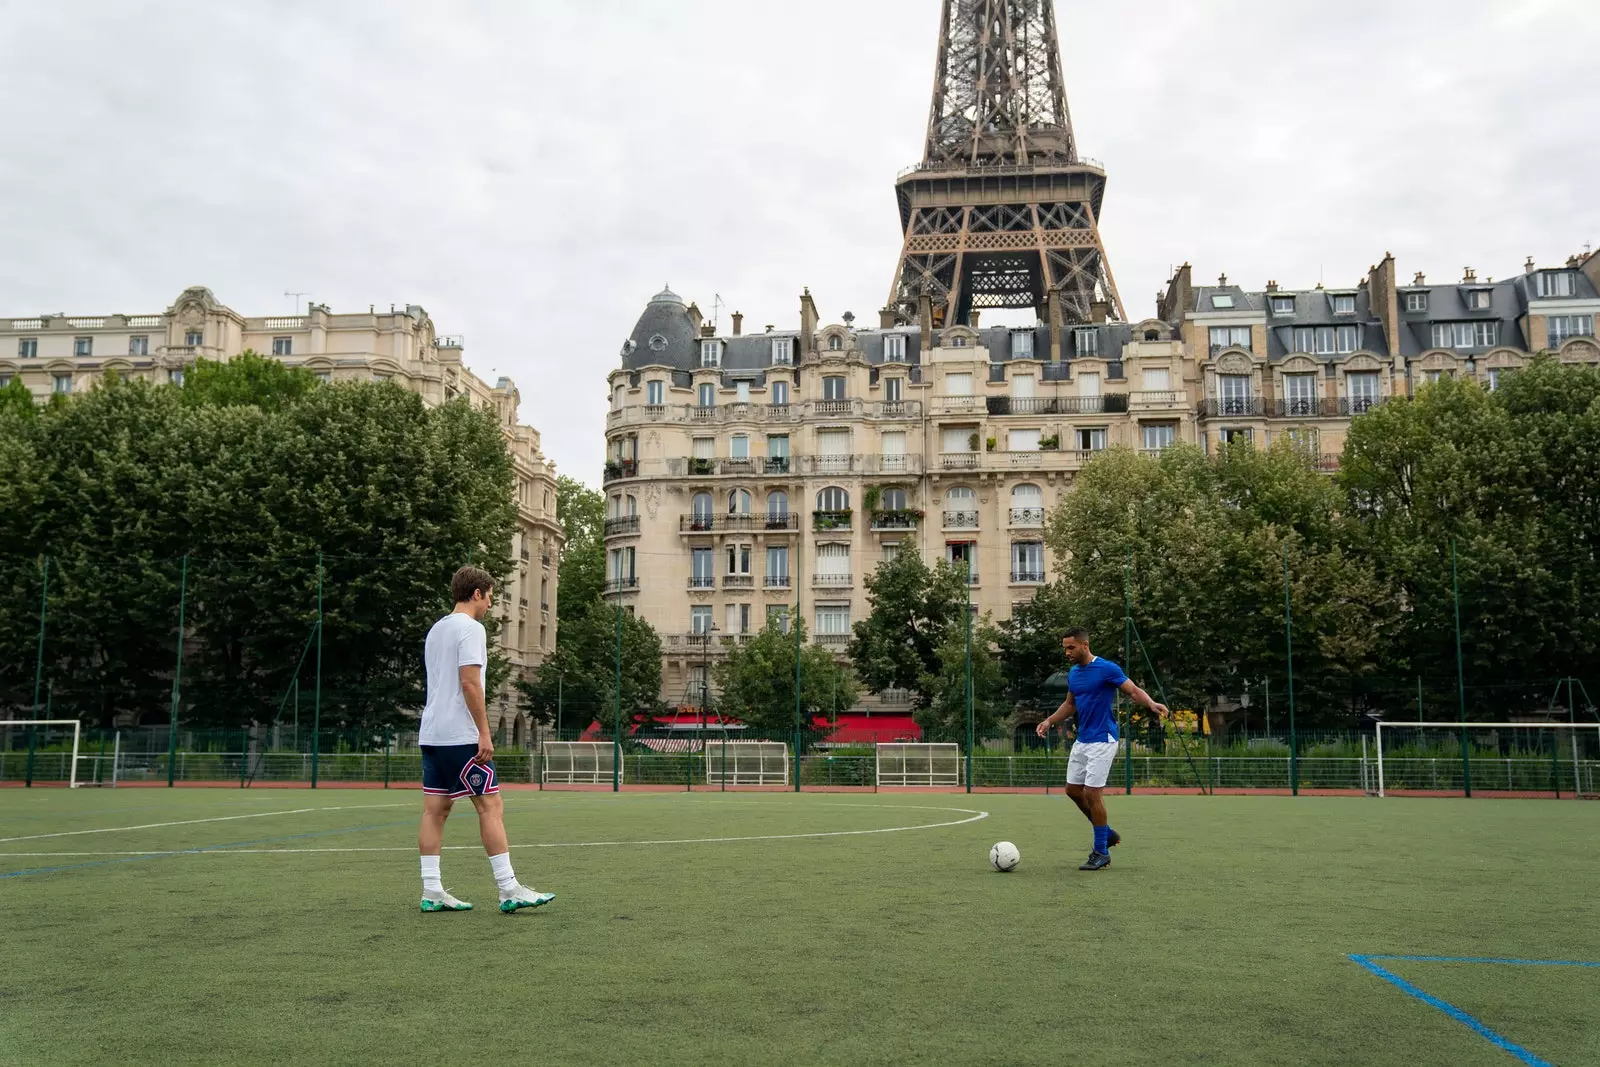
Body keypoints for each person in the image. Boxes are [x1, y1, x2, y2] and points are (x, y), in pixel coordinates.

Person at [417, 565, 554, 914]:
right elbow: (469, 683)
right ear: (476, 593)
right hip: (460, 735)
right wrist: (483, 731)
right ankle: (509, 889)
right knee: (490, 806)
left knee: (435, 811)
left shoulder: (436, 630)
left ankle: (432, 891)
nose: (491, 603)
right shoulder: (471, 629)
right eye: (490, 595)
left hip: (431, 732)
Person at [1035, 627, 1168, 871]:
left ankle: (1101, 852)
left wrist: (1150, 703)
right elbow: (1069, 704)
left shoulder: (1107, 668)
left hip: (1103, 739)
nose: (1067, 652)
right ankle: (1105, 832)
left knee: (1092, 794)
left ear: (1085, 645)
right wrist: (1049, 721)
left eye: (1071, 647)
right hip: (1083, 739)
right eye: (1065, 648)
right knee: (1072, 790)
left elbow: (1133, 690)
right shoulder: (1074, 674)